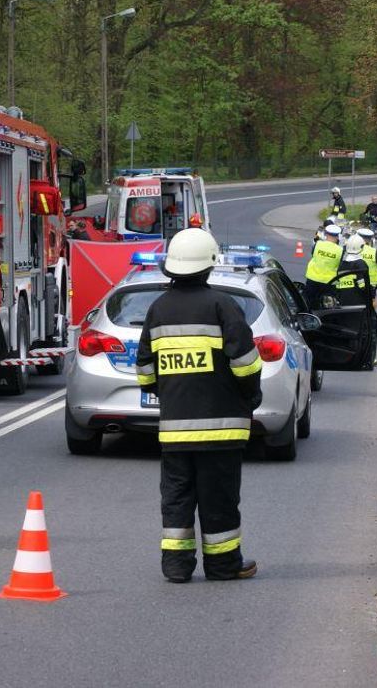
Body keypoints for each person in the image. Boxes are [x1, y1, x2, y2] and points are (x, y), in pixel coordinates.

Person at [135, 227, 263, 584]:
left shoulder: (158, 309)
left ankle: (176, 566)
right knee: (218, 498)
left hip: (174, 430)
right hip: (222, 428)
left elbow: (145, 370)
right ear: (209, 265)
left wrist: (169, 393)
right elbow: (246, 364)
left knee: (176, 497)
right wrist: (251, 395)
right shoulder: (222, 305)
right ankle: (223, 566)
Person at [303, 223, 343, 308]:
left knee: (309, 304)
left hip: (312, 279)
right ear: (338, 236)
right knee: (327, 306)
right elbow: (340, 265)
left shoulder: (317, 244)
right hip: (329, 282)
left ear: (325, 234)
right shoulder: (340, 250)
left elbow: (313, 255)